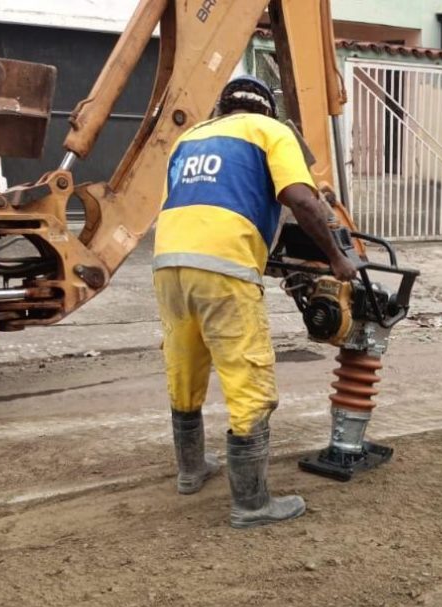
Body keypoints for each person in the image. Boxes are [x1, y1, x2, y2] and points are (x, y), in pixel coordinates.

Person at [153, 75, 357, 529]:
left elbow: (205, 204)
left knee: (183, 368)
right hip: (222, 268)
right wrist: (338, 258)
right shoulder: (271, 131)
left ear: (223, 108)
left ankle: (190, 472)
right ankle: (252, 504)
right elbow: (300, 199)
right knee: (248, 379)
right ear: (266, 109)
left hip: (168, 263)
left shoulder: (190, 140)